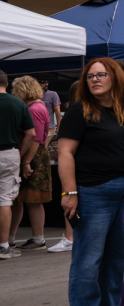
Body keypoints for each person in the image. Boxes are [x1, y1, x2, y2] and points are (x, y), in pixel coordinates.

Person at [57, 58, 124, 306]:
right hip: (94, 191)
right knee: (89, 256)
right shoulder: (79, 111)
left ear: (115, 78)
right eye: (90, 76)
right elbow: (65, 153)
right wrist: (69, 193)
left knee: (116, 257)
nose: (94, 79)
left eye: (101, 75)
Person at [10, 77, 51, 250]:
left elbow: (35, 138)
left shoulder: (34, 109)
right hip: (33, 156)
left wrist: (25, 161)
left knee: (33, 199)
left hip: (33, 157)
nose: (14, 94)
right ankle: (12, 237)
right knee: (21, 199)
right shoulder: (38, 106)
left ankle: (37, 239)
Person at [0, 70, 35, 260]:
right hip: (9, 153)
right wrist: (20, 154)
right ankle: (3, 245)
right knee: (5, 200)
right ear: (7, 83)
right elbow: (31, 133)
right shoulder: (18, 103)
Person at [47, 80, 82, 254]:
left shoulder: (74, 114)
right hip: (82, 167)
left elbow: (65, 149)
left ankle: (70, 238)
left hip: (74, 167)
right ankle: (71, 237)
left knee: (69, 202)